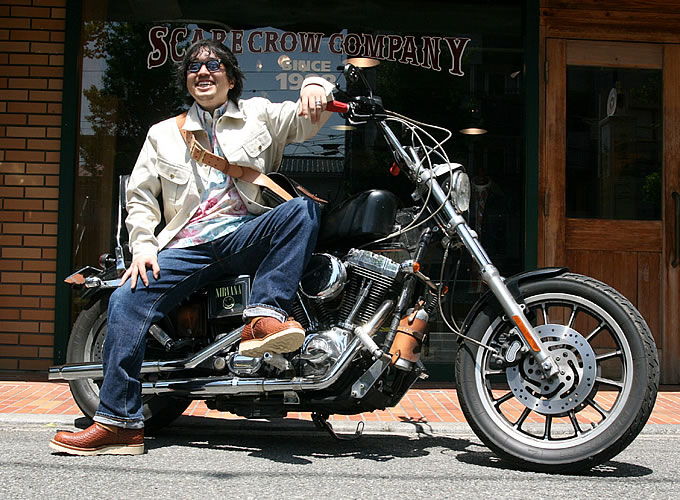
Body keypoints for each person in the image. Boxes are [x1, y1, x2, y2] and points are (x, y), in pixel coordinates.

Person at [49, 39, 335, 456]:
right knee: (126, 299)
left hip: (246, 234)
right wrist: (143, 246)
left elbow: (307, 119)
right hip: (189, 244)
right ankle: (118, 424)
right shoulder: (164, 134)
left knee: (301, 210)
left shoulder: (259, 114)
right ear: (187, 81)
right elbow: (141, 197)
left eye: (214, 64)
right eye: (193, 67)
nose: (203, 71)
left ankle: (265, 317)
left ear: (231, 78)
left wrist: (315, 86)